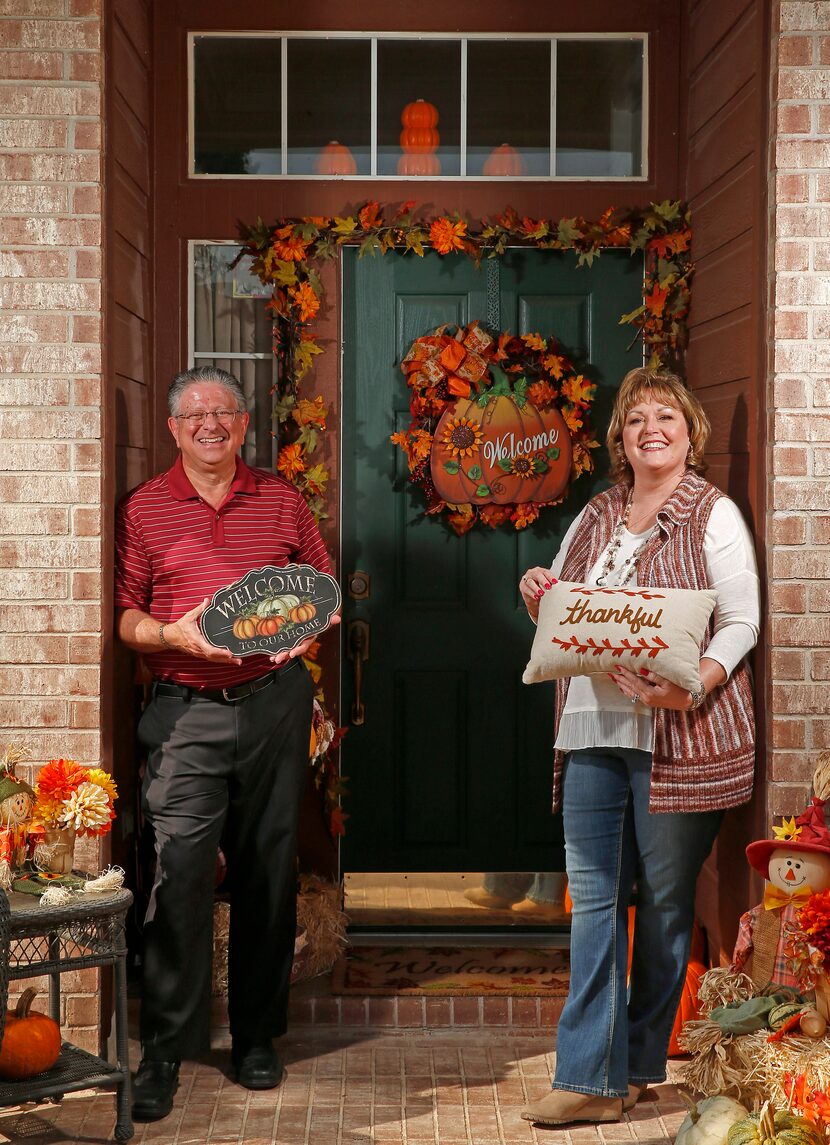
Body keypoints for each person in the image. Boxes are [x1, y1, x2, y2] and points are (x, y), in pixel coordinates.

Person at [518, 367, 760, 1127]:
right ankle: (587, 1074)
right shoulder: (596, 513)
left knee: (660, 908)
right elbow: (565, 601)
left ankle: (636, 1062)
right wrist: (539, 590)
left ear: (691, 432)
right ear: (620, 439)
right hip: (591, 726)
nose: (650, 429)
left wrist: (695, 686)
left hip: (676, 734)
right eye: (635, 420)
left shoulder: (711, 514)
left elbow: (742, 619)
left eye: (666, 417)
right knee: (593, 902)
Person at [114, 365, 337, 1122]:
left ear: (244, 426)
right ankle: (165, 1050)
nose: (211, 423)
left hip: (274, 704)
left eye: (225, 412)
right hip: (183, 711)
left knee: (268, 869)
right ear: (174, 429)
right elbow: (126, 619)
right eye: (194, 414)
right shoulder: (145, 509)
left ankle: (255, 1038)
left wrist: (300, 630)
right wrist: (172, 632)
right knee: (176, 872)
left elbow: (322, 588)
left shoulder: (279, 499)